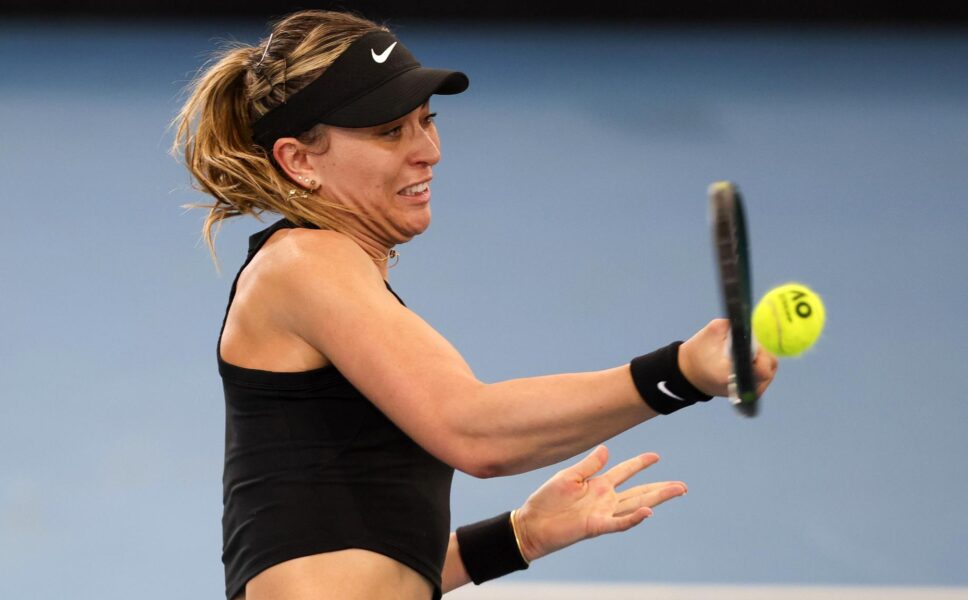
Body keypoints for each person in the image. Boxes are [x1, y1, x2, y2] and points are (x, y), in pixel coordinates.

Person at [172, 9, 778, 600]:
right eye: (389, 131)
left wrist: (521, 537)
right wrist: (679, 374)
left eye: (426, 121)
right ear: (299, 159)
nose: (428, 150)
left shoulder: (321, 273)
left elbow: (350, 549)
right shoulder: (303, 263)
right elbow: (474, 432)